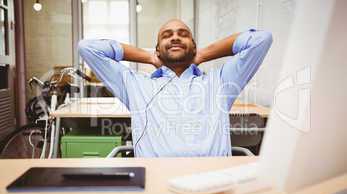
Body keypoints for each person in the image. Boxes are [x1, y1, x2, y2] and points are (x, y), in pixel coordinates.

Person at [78, 19, 272, 157]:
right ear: (157, 49)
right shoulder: (135, 85)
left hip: (212, 179)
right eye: (167, 36)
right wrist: (148, 57)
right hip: (156, 181)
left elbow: (261, 39)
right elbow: (87, 48)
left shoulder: (219, 82)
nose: (175, 38)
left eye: (183, 35)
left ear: (193, 47)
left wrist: (203, 54)